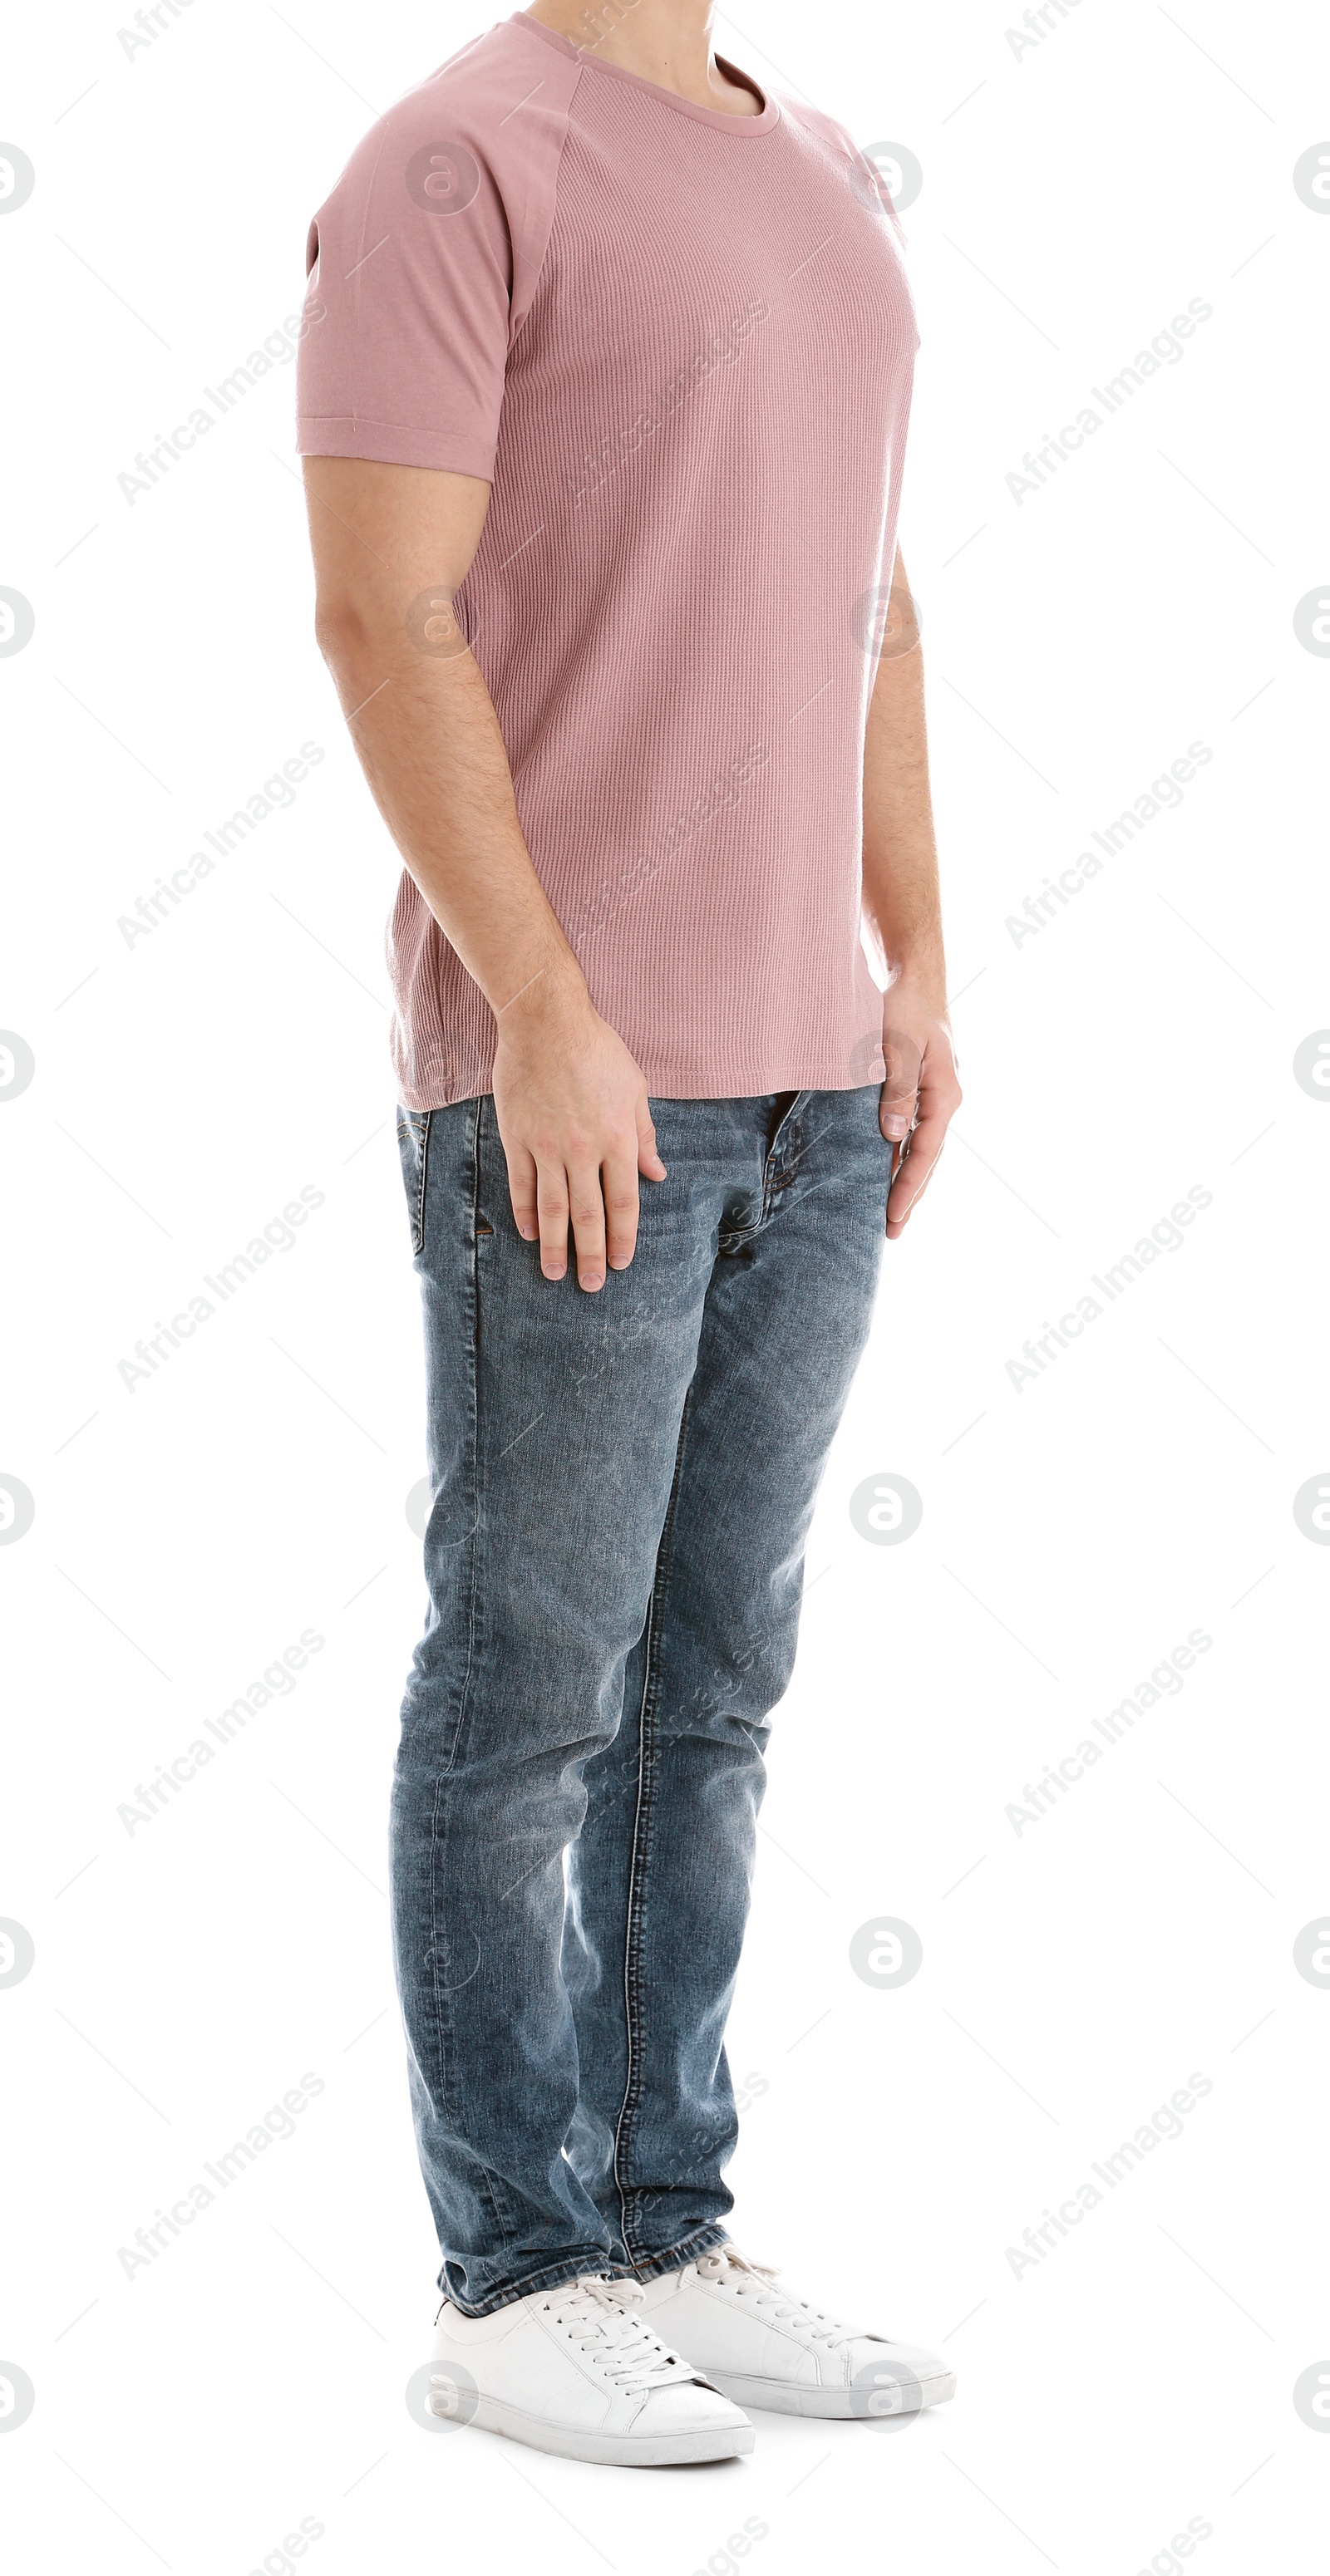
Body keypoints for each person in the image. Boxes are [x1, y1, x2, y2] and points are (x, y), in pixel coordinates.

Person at [298, 0, 962, 2468]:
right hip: (580, 1078)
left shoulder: (817, 171)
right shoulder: (461, 160)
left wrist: (915, 966)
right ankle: (512, 2270)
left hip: (808, 1070)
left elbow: (869, 599)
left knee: (712, 1684)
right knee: (533, 1685)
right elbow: (388, 614)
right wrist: (547, 1011)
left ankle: (666, 2220)